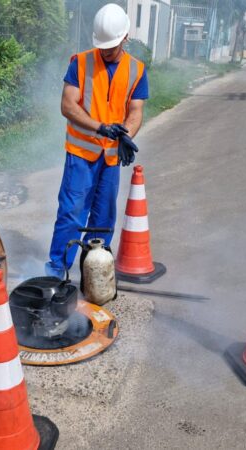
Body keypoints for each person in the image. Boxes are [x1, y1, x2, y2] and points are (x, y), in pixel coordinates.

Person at [44, 3, 148, 279]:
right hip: (81, 154)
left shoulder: (137, 70)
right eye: (102, 46)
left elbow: (136, 111)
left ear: (125, 38)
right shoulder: (80, 62)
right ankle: (56, 272)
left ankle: (93, 276)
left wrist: (126, 135)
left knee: (103, 219)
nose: (105, 51)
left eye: (110, 47)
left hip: (111, 158)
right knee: (71, 213)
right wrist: (101, 128)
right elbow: (68, 105)